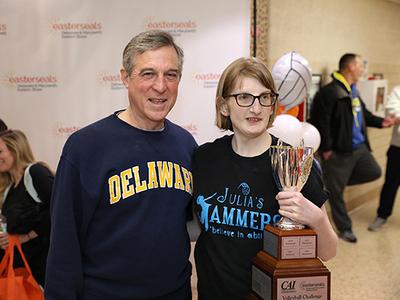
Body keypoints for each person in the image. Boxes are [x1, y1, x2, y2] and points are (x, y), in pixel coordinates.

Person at [45, 30, 197, 300]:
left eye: (170, 75)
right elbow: (64, 245)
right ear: (125, 78)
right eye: (148, 74)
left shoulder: (186, 145)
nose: (160, 86)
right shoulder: (86, 147)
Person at [193, 57, 338, 300]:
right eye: (244, 97)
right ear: (223, 105)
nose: (256, 108)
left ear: (273, 104)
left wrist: (315, 218)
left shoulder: (292, 163)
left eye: (264, 97)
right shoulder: (204, 159)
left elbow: (329, 251)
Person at [310, 53, 396, 243]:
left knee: (374, 171)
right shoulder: (330, 92)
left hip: (359, 149)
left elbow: (363, 114)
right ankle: (345, 228)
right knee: (335, 191)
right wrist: (326, 148)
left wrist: (383, 122)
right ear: (350, 67)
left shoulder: (353, 90)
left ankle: (333, 182)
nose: (363, 70)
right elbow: (321, 122)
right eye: (360, 66)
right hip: (339, 151)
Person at [0, 129, 53, 286]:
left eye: (0, 151)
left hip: (42, 268)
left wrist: (26, 236)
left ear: (15, 149)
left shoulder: (36, 173)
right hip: (23, 270)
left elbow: (57, 210)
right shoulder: (9, 188)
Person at [368, 86, 400, 231]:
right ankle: (382, 215)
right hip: (398, 148)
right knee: (391, 183)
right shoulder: (397, 91)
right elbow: (393, 112)